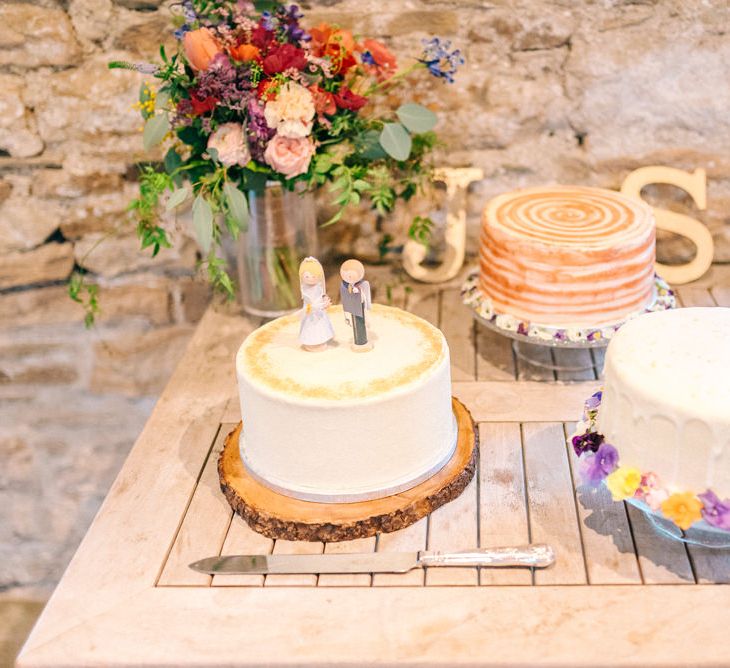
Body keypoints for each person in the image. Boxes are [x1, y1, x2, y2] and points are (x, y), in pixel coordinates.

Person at [298, 257, 334, 352]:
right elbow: (307, 301)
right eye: (307, 277)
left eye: (314, 276)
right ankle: (310, 342)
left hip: (319, 312)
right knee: (310, 327)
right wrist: (312, 307)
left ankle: (320, 340)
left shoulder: (319, 286)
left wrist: (325, 301)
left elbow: (322, 295)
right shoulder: (304, 288)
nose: (310, 279)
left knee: (320, 326)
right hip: (310, 312)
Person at [339, 258, 372, 351]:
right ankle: (358, 341)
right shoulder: (344, 286)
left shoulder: (363, 284)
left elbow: (365, 296)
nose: (349, 276)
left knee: (361, 323)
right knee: (355, 325)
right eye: (346, 274)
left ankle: (362, 341)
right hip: (353, 307)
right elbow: (345, 297)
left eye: (351, 274)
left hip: (360, 307)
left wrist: (358, 291)